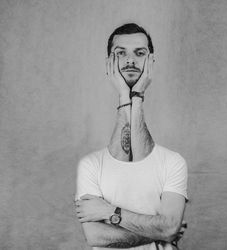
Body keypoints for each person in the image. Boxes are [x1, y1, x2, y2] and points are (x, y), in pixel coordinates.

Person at [75, 23, 188, 250]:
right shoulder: (90, 165)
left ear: (150, 62)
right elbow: (96, 237)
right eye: (120, 53)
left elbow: (168, 228)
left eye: (139, 53)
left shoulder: (173, 162)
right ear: (109, 63)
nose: (130, 60)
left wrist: (110, 212)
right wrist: (161, 233)